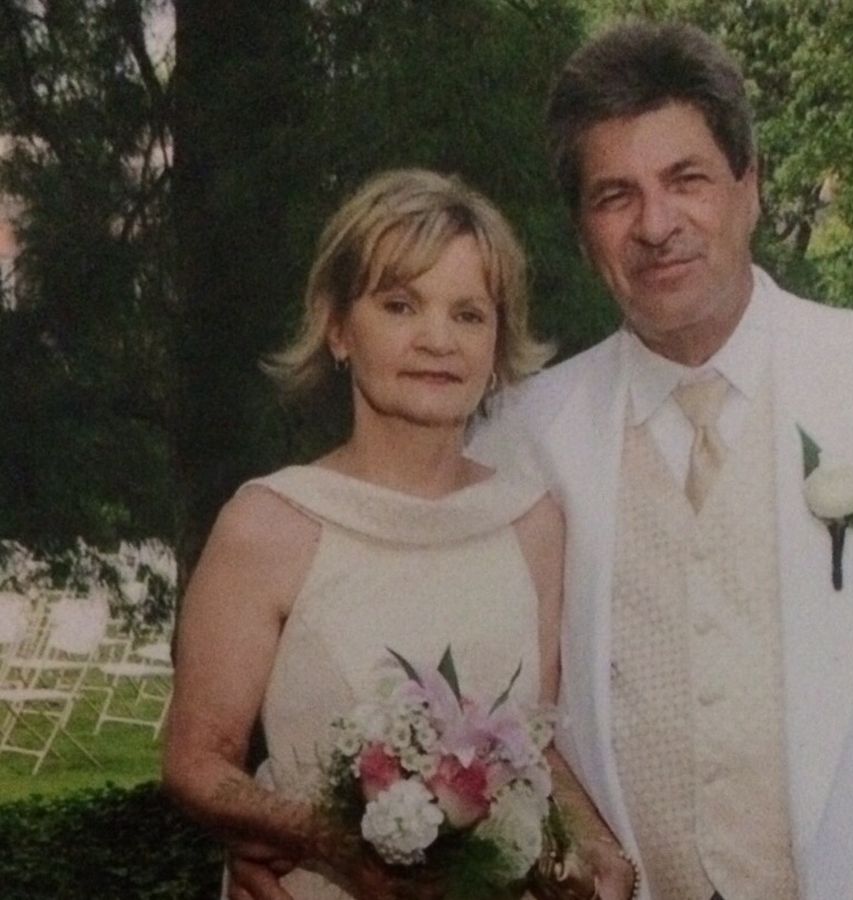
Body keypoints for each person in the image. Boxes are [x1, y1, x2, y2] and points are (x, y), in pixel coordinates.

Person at [469, 21, 853, 900]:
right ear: (580, 230)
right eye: (615, 196)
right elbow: (499, 712)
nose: (657, 225)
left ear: (751, 185)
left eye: (687, 180)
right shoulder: (518, 437)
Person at [163, 169, 634, 900]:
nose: (437, 340)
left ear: (497, 344)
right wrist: (334, 846)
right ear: (338, 328)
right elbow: (197, 761)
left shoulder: (532, 524)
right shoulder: (269, 523)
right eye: (400, 305)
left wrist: (595, 847)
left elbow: (531, 746)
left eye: (469, 314)